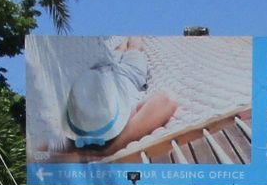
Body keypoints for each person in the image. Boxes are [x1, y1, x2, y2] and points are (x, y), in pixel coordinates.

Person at [47, 37, 178, 161]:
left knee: (117, 50)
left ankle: (123, 40)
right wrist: (111, 149)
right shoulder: (127, 120)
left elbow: (40, 149)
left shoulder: (72, 130)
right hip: (129, 73)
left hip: (96, 72)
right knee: (134, 47)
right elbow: (166, 100)